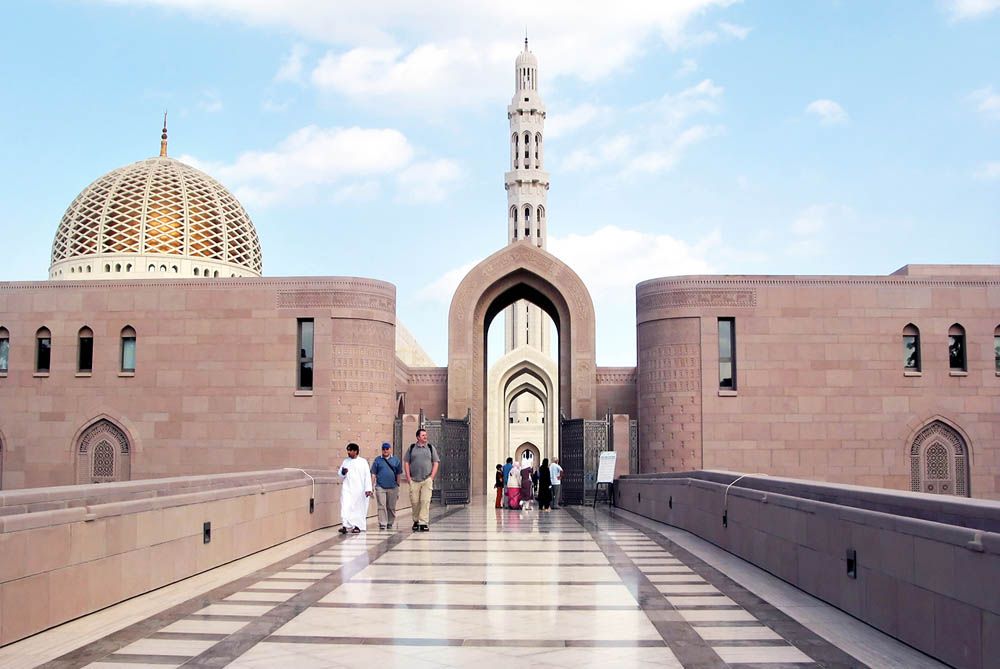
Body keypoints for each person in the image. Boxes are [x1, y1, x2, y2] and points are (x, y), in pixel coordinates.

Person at [403, 428, 439, 532]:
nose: (425, 437)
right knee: (415, 501)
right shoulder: (412, 448)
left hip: (426, 479)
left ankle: (423, 522)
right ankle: (416, 520)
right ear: (418, 437)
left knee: (425, 501)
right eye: (423, 435)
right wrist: (408, 477)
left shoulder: (431, 448)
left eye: (426, 435)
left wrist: (432, 477)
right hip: (414, 480)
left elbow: (436, 462)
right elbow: (406, 462)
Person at [338, 442, 372, 533]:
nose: (348, 453)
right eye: (348, 451)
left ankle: (357, 526)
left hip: (359, 490)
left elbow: (367, 476)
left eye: (350, 451)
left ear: (356, 451)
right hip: (347, 489)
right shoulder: (346, 461)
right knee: (345, 506)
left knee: (358, 508)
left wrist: (368, 489)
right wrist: (343, 472)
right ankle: (345, 525)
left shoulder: (363, 462)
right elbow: (340, 474)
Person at [371, 442, 402, 530]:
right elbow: (373, 473)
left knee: (391, 506)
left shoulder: (396, 460)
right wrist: (371, 485)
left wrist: (398, 485)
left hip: (393, 487)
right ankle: (382, 523)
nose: (385, 450)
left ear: (390, 449)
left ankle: (390, 522)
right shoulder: (377, 460)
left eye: (387, 448)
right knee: (381, 505)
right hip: (380, 486)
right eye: (383, 449)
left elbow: (399, 474)